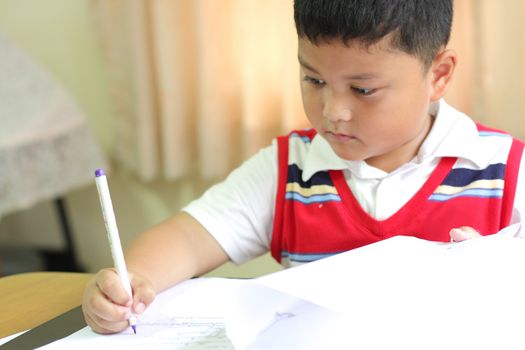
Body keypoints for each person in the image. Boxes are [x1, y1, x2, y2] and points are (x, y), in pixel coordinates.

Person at [83, 0, 525, 334]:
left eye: (363, 90)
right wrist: (131, 284)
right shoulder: (290, 168)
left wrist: (503, 271)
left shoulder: (505, 170)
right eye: (314, 81)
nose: (333, 112)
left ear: (440, 75)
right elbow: (187, 237)